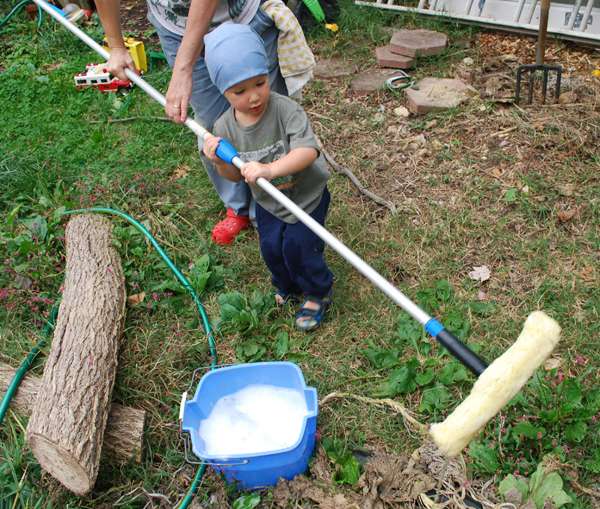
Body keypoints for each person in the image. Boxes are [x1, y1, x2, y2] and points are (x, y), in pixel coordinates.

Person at [94, 0, 290, 244]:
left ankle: (277, 207)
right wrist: (115, 45)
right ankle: (238, 207)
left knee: (267, 119)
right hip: (176, 26)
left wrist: (183, 69)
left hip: (242, 17)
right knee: (211, 125)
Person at [202, 23, 333, 330]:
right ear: (223, 91)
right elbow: (233, 176)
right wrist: (217, 161)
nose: (254, 97)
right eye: (240, 91)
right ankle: (286, 285)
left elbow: (308, 152)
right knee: (272, 247)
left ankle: (317, 289)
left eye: (260, 83)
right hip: (269, 201)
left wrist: (270, 169)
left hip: (305, 196)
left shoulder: (285, 110)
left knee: (299, 246)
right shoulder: (223, 129)